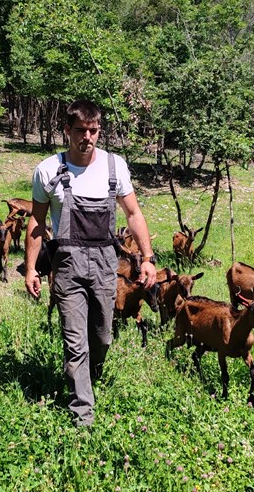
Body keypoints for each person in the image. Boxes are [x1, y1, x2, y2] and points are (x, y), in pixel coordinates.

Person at [24, 99, 157, 427]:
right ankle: (83, 415)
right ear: (67, 131)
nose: (87, 137)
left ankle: (92, 372)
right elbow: (37, 224)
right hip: (67, 268)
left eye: (93, 130)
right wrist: (30, 268)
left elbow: (133, 213)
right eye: (80, 130)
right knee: (75, 341)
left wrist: (148, 258)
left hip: (104, 266)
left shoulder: (115, 167)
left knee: (102, 336)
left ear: (100, 131)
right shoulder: (47, 170)